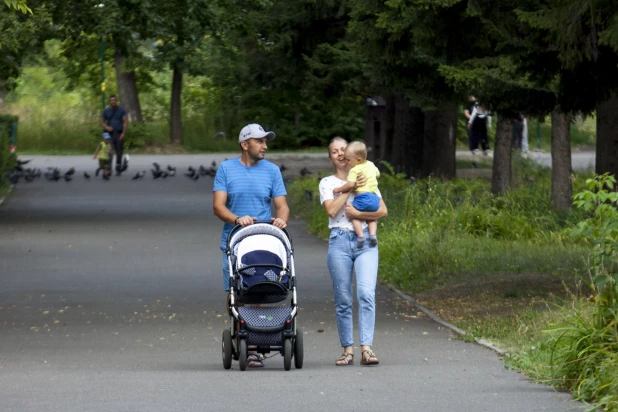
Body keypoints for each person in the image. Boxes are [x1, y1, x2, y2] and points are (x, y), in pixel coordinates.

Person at [213, 123, 290, 368]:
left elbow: (282, 205)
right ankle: (240, 332)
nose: (265, 146)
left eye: (266, 141)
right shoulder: (226, 169)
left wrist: (281, 219)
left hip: (262, 239)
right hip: (234, 240)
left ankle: (253, 347)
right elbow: (218, 206)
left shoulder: (272, 171)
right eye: (260, 141)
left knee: (256, 289)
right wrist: (237, 218)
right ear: (245, 144)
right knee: (235, 294)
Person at [319, 137, 388, 367]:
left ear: (351, 153)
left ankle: (366, 349)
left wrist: (358, 215)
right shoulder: (327, 183)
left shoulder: (366, 175)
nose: (340, 154)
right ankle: (347, 350)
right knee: (343, 298)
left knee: (366, 293)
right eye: (335, 151)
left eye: (343, 150)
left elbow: (382, 211)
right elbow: (331, 210)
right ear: (331, 158)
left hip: (366, 241)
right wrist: (349, 188)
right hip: (339, 241)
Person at [332, 141, 381, 248]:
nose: (347, 162)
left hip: (362, 198)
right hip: (374, 198)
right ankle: (373, 235)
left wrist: (338, 189)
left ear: (358, 160)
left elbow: (350, 185)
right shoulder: (371, 164)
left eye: (349, 160)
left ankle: (361, 236)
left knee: (354, 216)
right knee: (372, 218)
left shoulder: (354, 170)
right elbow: (378, 175)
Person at [101, 95, 128, 176]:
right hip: (109, 134)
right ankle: (109, 169)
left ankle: (118, 169)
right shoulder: (106, 111)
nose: (113, 101)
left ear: (116, 101)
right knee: (110, 152)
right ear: (109, 102)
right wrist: (107, 127)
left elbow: (125, 122)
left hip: (119, 133)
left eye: (114, 100)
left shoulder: (121, 110)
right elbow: (102, 122)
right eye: (111, 100)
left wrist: (123, 133)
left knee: (119, 152)